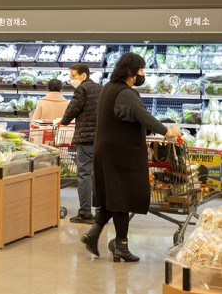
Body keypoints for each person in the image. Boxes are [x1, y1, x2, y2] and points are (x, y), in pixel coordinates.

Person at [81, 52, 181, 262]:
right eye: (141, 70)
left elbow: (128, 117)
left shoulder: (109, 88)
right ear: (131, 72)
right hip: (120, 153)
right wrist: (168, 131)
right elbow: (143, 117)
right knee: (122, 199)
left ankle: (93, 234)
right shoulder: (126, 94)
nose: (142, 75)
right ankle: (121, 247)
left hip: (106, 150)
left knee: (114, 196)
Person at [60, 64, 102, 224]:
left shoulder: (82, 89)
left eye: (73, 76)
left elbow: (72, 110)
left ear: (83, 76)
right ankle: (100, 212)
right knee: (98, 176)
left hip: (85, 138)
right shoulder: (101, 88)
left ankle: (85, 212)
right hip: (101, 139)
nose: (71, 80)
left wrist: (64, 121)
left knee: (84, 175)